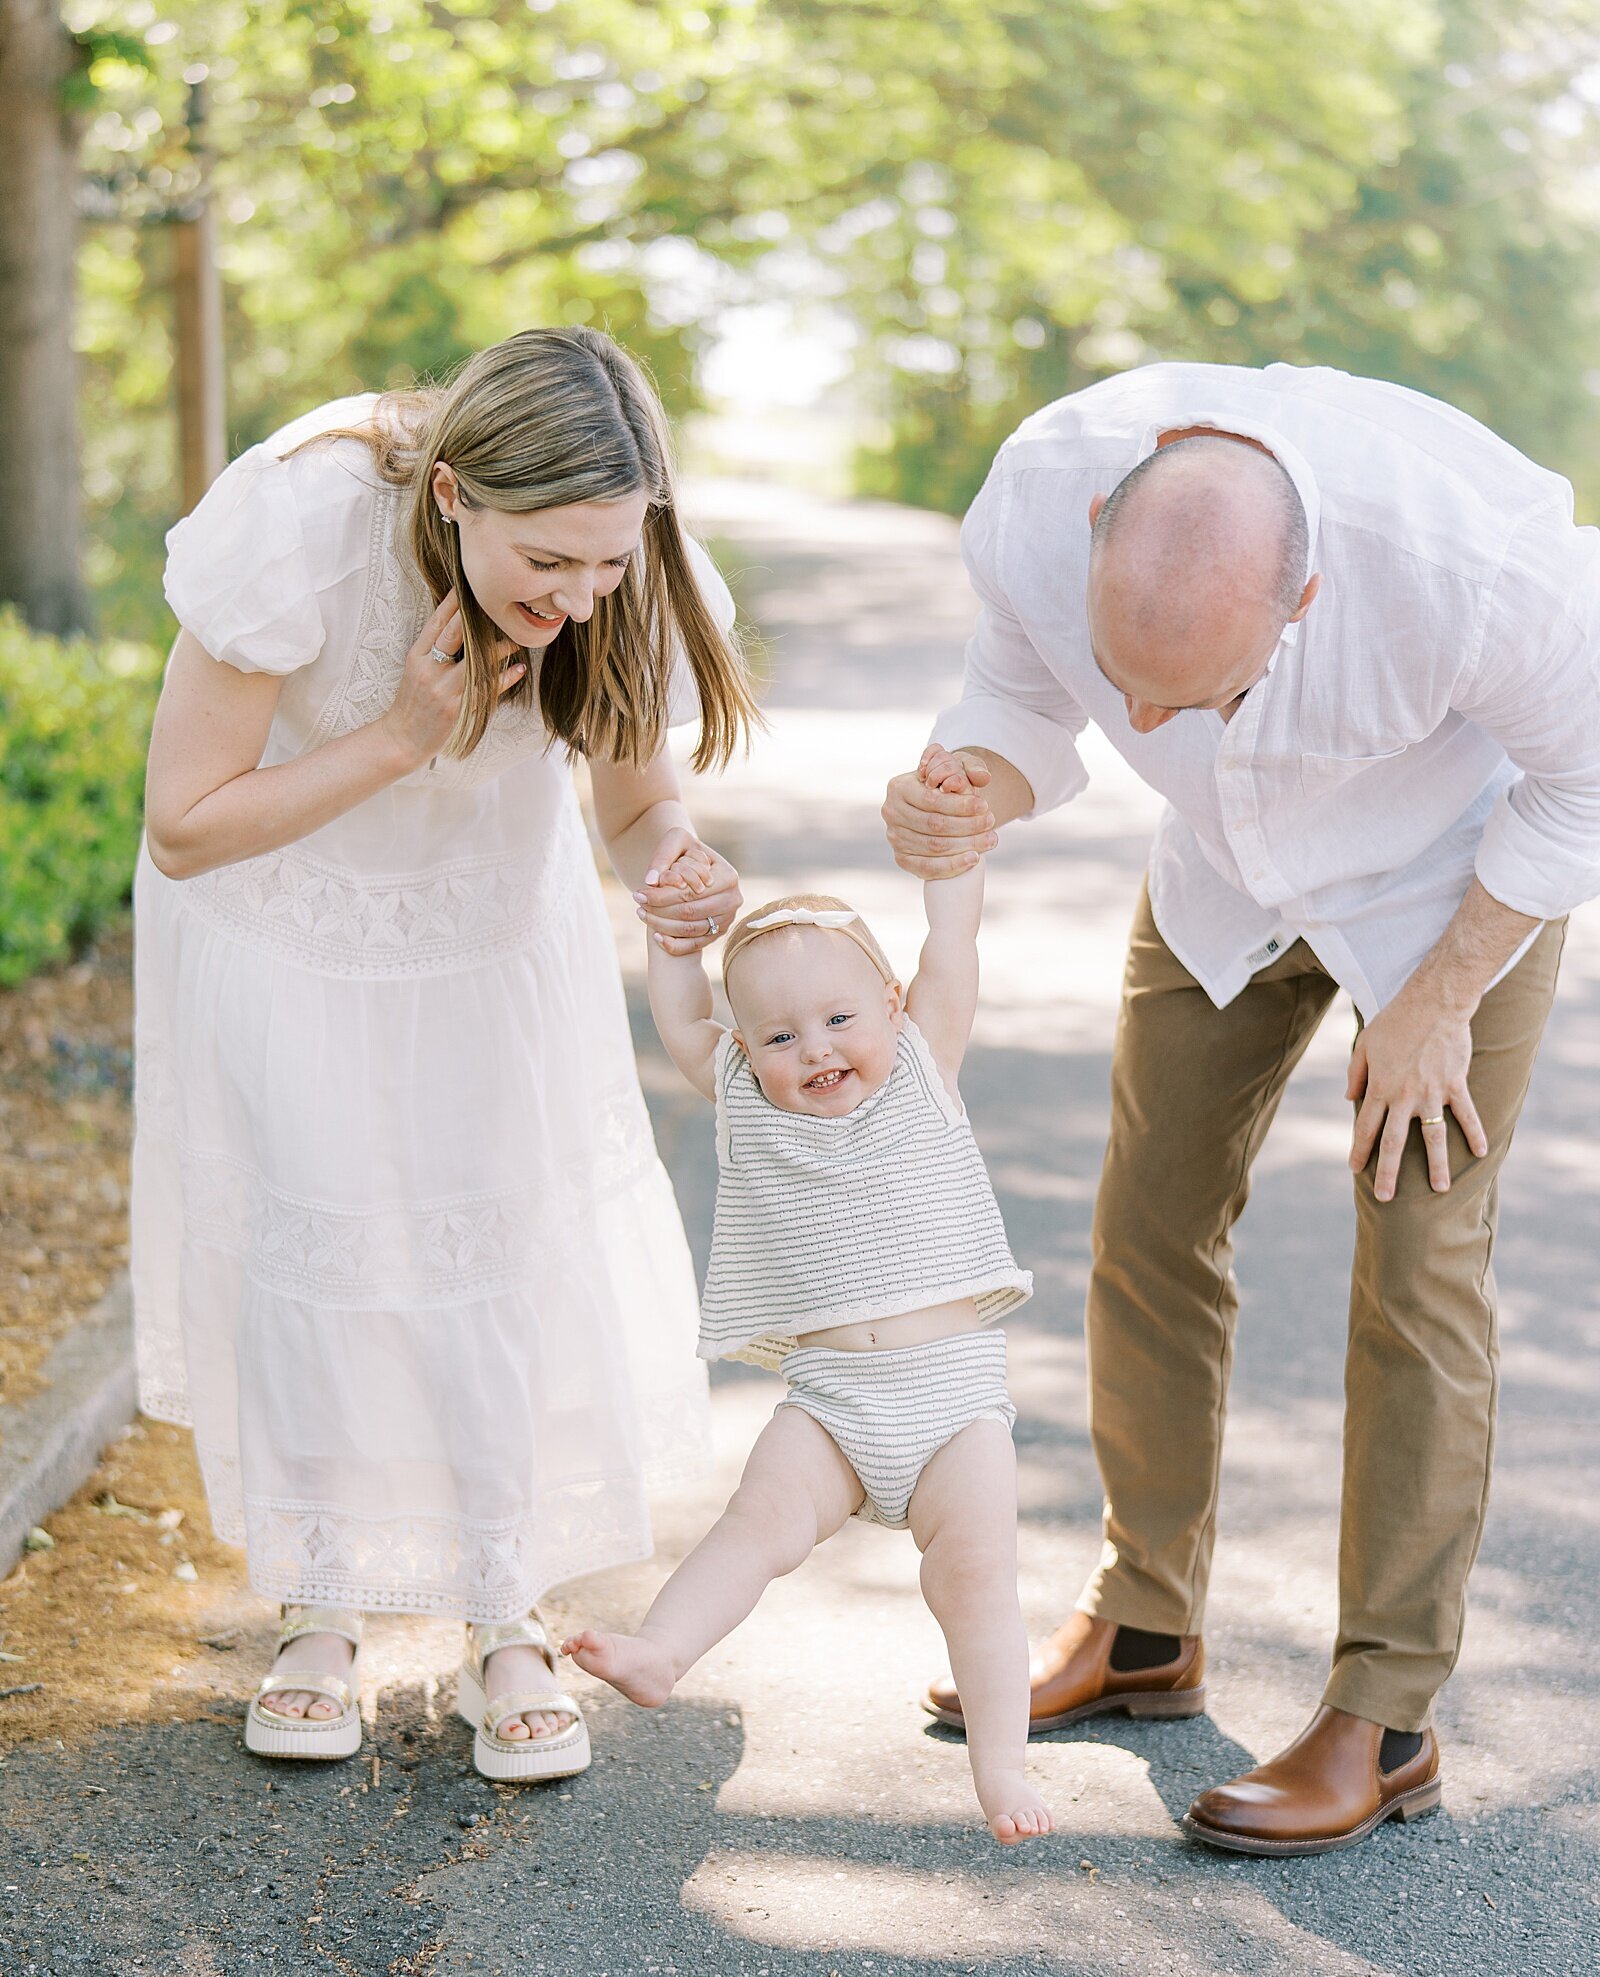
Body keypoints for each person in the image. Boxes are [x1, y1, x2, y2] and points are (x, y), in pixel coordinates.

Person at [883, 360, 1600, 1855]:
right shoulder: (1029, 498)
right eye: (1127, 672)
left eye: (1191, 690)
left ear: (1308, 597)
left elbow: (1585, 783)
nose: (1145, 712)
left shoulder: (1477, 570)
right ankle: (1146, 1622)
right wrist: (973, 795)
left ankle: (1385, 1715)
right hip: (1223, 875)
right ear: (1091, 529)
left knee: (1416, 1267)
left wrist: (1440, 996)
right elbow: (1024, 708)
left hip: (1452, 889)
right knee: (1147, 1222)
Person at [134, 327, 756, 1779]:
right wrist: (405, 734)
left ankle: (506, 1612)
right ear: (460, 490)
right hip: (287, 915)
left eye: (607, 567)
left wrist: (679, 869)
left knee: (502, 1249)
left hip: (488, 923)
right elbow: (185, 824)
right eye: (553, 560)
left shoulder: (619, 560)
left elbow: (633, 806)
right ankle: (319, 1611)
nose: (580, 597)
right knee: (318, 1244)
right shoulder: (301, 519)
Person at [560, 767, 1053, 1844]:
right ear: (748, 1053)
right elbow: (684, 1015)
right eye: (780, 1036)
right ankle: (660, 1651)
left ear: (890, 1008)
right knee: (755, 1525)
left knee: (975, 1578)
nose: (815, 1048)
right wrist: (675, 937)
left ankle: (1002, 1769)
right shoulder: (739, 1090)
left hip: (952, 1403)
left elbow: (949, 953)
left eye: (838, 1018)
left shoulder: (925, 1060)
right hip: (830, 1401)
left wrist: (953, 865)